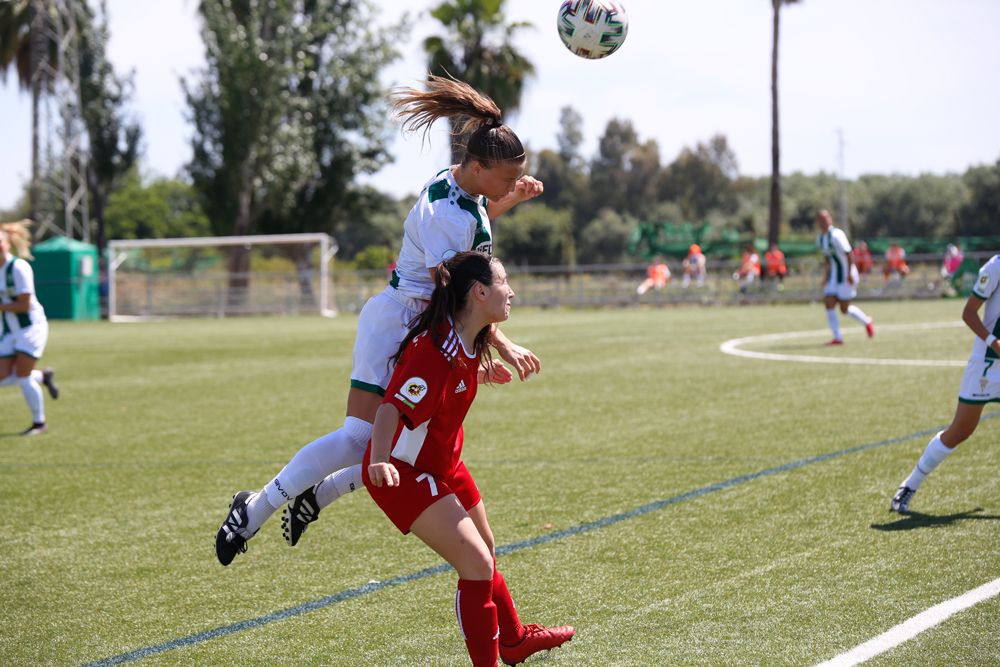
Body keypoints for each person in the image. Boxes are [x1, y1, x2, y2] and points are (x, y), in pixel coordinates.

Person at [216, 74, 544, 565]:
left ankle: (316, 497)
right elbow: (459, 290)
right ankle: (253, 510)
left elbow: (473, 234)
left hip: (433, 326)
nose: (507, 185)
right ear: (476, 166)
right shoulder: (444, 215)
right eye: (503, 179)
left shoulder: (464, 189)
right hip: (399, 323)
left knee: (407, 452)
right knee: (359, 438)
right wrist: (499, 344)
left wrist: (509, 199)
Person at [365, 251, 573, 666]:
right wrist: (380, 460)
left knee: (487, 549)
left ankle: (512, 641)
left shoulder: (464, 337)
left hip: (443, 463)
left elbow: (440, 389)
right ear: (479, 292)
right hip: (405, 471)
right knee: (476, 564)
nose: (511, 291)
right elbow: (391, 409)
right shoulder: (435, 351)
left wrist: (479, 373)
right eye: (503, 283)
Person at [890, 253, 1000, 513]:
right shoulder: (995, 267)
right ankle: (909, 485)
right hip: (987, 363)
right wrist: (993, 342)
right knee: (960, 430)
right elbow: (969, 313)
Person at [0, 220, 59, 435]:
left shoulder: (19, 267)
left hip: (30, 328)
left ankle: (39, 423)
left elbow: (24, 304)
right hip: (8, 329)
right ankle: (42, 377)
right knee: (3, 377)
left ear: (7, 243)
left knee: (23, 376)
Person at [815, 210, 874, 345]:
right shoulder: (820, 238)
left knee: (844, 309)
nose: (824, 221)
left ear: (830, 219)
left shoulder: (837, 235)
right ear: (818, 222)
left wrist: (849, 274)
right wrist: (825, 277)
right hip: (834, 276)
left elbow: (849, 254)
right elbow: (827, 259)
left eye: (826, 218)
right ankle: (837, 337)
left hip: (847, 274)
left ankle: (867, 321)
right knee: (828, 302)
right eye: (821, 219)